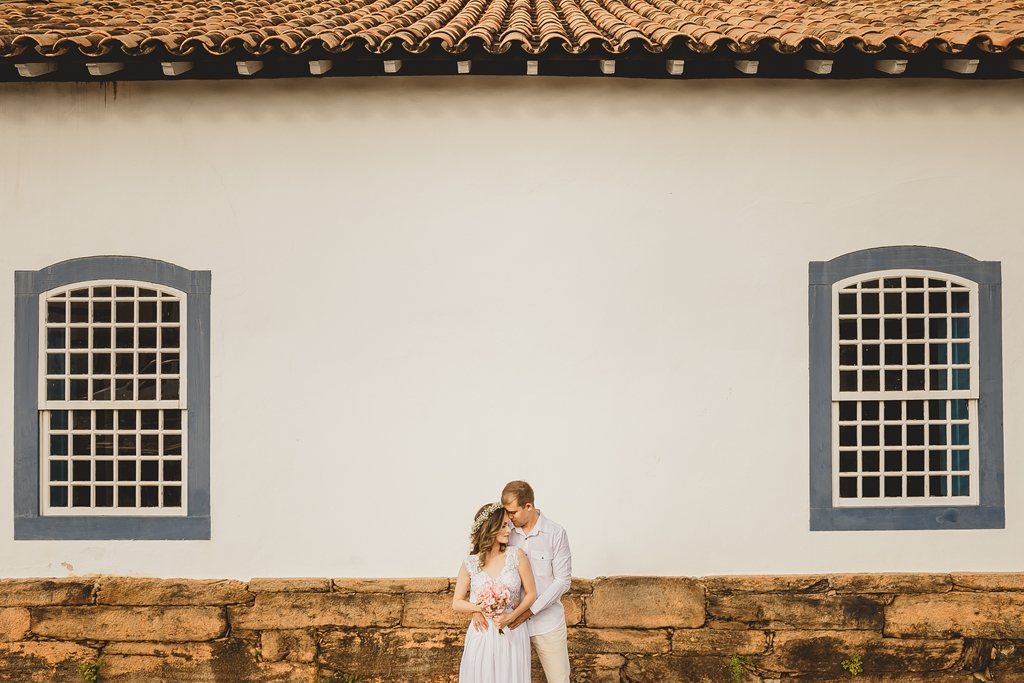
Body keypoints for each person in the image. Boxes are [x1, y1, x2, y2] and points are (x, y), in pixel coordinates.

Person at [453, 502, 538, 683]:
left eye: (508, 524)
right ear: (490, 528)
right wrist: (479, 608)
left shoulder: (516, 555)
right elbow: (457, 602)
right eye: (504, 526)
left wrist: (512, 616)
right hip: (483, 632)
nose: (509, 530)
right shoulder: (470, 563)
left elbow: (531, 594)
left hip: (512, 630)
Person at [501, 481, 572, 683]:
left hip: (547, 623)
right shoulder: (506, 532)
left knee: (559, 679)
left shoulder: (556, 534)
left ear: (528, 506)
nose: (509, 517)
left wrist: (529, 611)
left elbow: (562, 581)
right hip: (511, 624)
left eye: (513, 512)